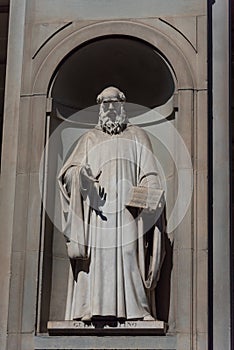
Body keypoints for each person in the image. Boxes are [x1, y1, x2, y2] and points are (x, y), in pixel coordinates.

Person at [58, 86, 165, 322]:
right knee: (97, 260)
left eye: (113, 103)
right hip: (97, 211)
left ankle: (137, 309)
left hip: (127, 210)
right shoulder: (89, 139)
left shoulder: (138, 136)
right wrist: (80, 176)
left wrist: (149, 190)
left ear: (122, 105)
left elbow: (150, 173)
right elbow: (68, 173)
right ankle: (90, 308)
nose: (109, 108)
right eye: (104, 103)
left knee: (129, 253)